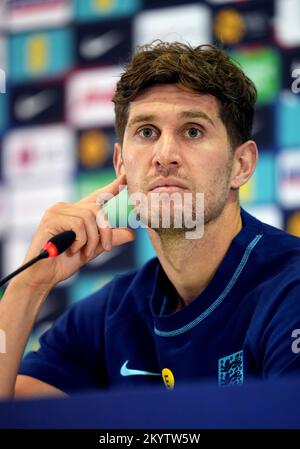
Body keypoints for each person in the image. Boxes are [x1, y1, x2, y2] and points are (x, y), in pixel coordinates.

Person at [1, 41, 300, 399]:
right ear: (121, 165)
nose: (165, 155)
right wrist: (28, 286)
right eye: (147, 132)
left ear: (242, 165)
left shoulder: (290, 290)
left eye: (192, 131)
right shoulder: (109, 315)